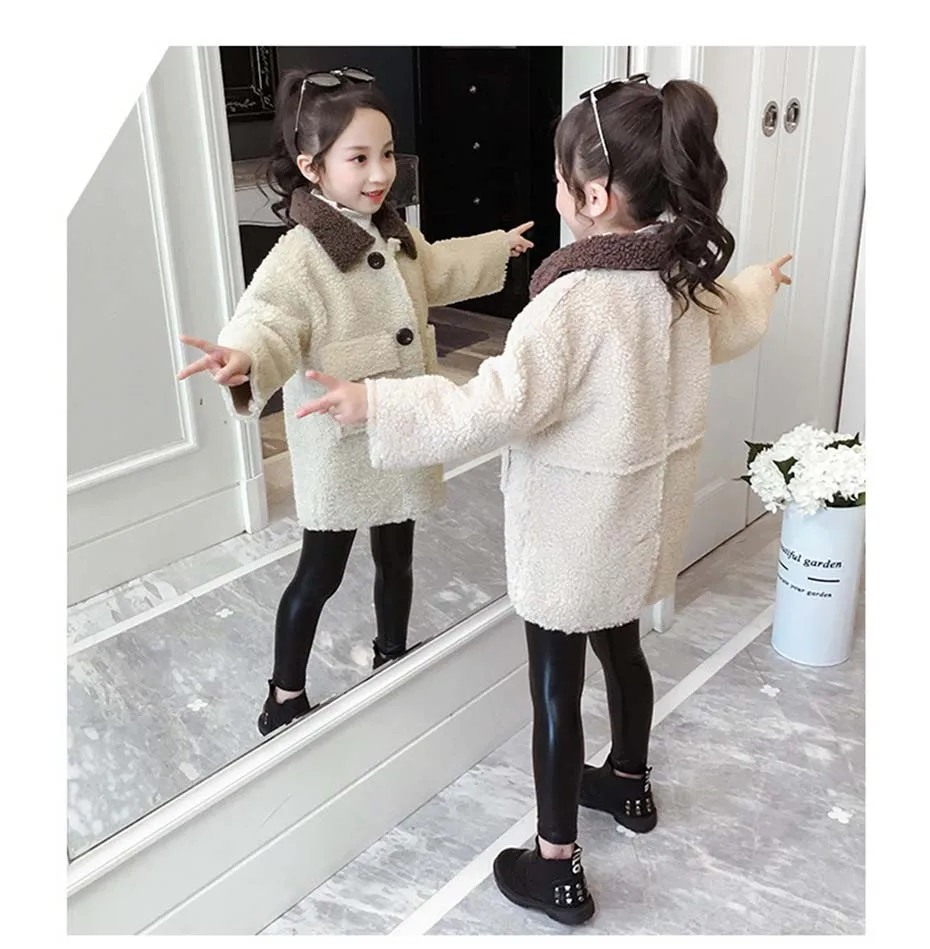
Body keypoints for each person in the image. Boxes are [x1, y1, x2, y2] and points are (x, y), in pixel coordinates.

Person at [295, 73, 793, 925]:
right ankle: (629, 783)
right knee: (624, 651)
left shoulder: (570, 304)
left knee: (557, 689)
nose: (557, 191)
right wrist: (759, 283)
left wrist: (376, 401)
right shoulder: (677, 278)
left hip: (572, 534)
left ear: (593, 197)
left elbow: (490, 406)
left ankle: (556, 863)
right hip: (639, 525)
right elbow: (731, 320)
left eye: (562, 179)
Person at [177, 67, 534, 737]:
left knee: (398, 557)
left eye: (388, 154)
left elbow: (438, 269)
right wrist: (242, 356)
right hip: (342, 444)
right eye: (359, 158)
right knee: (320, 572)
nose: (380, 173)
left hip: (397, 423)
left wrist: (495, 247)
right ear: (312, 167)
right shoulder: (300, 256)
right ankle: (284, 693)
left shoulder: (393, 235)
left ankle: (392, 653)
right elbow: (268, 317)